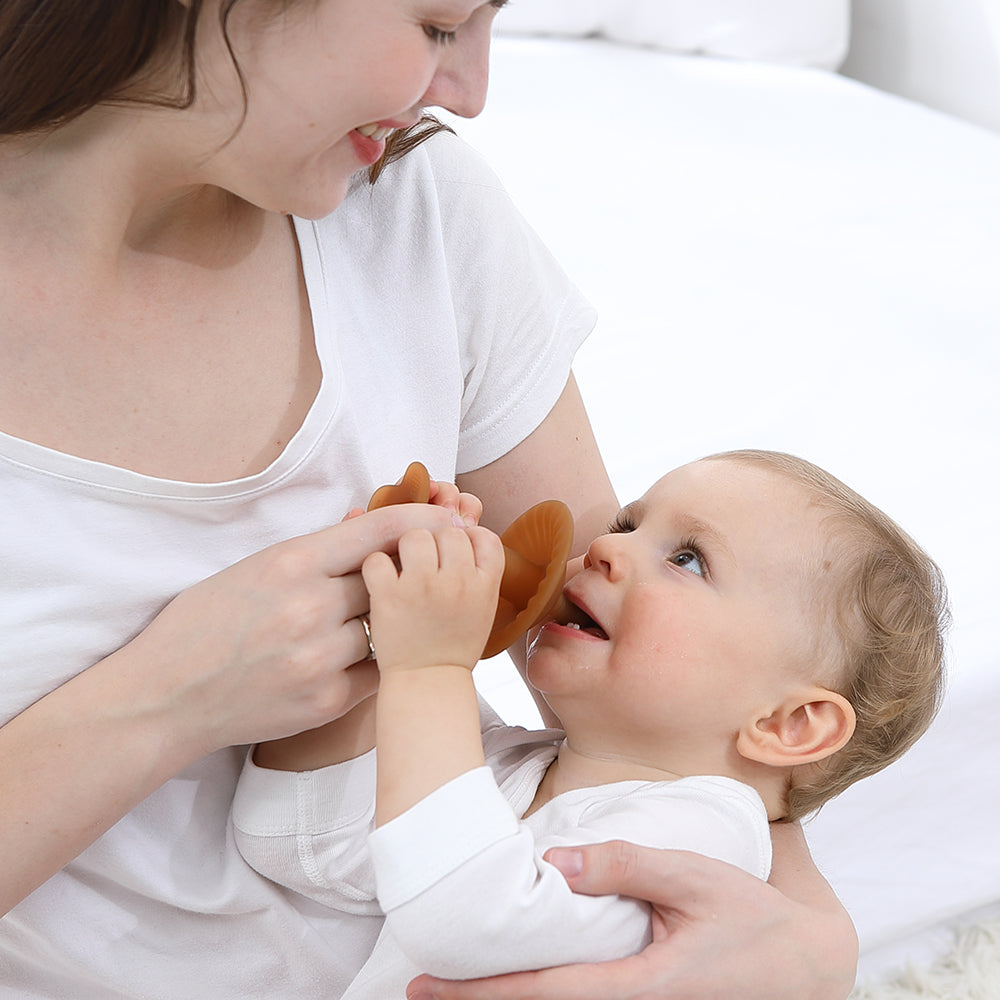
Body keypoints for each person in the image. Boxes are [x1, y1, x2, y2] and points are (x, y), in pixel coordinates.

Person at [0, 2, 857, 997]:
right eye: (441, 25)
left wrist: (807, 943)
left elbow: (679, 707)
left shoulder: (413, 206)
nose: (471, 94)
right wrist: (172, 695)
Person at [233, 449, 948, 998]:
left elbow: (466, 919)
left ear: (789, 724)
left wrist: (429, 668)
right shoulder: (520, 766)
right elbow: (291, 837)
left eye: (687, 560)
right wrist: (378, 624)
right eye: (628, 524)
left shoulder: (704, 834)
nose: (606, 548)